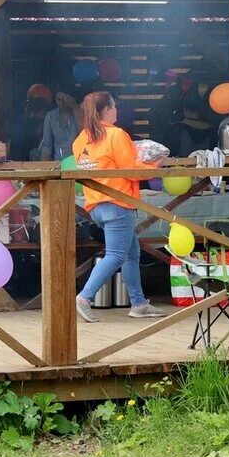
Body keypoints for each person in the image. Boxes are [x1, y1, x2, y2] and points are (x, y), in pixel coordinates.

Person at [73, 91, 165, 323]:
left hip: (95, 205)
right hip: (118, 203)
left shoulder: (81, 139)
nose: (117, 111)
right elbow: (130, 170)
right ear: (107, 110)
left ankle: (139, 303)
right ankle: (84, 296)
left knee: (131, 253)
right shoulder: (116, 135)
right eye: (115, 107)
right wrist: (155, 166)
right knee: (115, 255)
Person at [9, 83, 52, 161]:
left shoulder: (48, 123)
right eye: (30, 100)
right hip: (18, 165)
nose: (31, 103)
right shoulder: (20, 124)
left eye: (35, 100)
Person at [39, 91, 79, 161]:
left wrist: (75, 107)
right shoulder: (51, 116)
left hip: (78, 162)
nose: (62, 103)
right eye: (59, 99)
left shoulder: (80, 114)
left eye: (65, 99)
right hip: (58, 163)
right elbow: (47, 145)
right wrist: (44, 168)